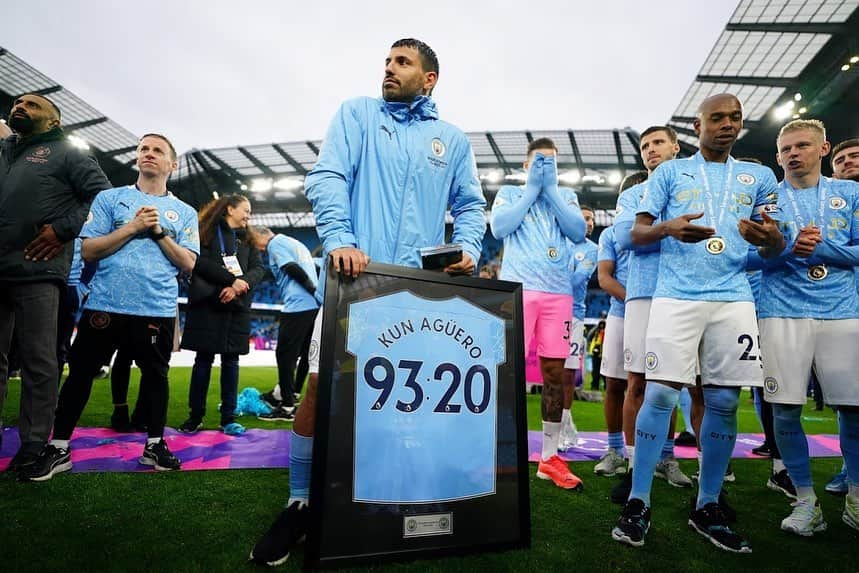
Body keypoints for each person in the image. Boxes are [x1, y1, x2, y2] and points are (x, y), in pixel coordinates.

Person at [249, 38, 486, 567]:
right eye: (387, 61)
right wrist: (339, 240)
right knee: (318, 388)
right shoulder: (356, 114)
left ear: (429, 78)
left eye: (402, 62)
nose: (389, 69)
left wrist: (468, 249)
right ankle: (299, 500)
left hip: (417, 292)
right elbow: (327, 177)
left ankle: (390, 501)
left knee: (407, 400)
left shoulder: (450, 140)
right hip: (352, 279)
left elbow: (471, 205)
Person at [611, 93, 784, 553]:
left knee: (725, 400)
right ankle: (638, 500)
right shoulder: (669, 171)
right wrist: (668, 228)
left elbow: (774, 246)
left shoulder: (761, 176)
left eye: (735, 118)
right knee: (663, 391)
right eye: (717, 118)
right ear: (697, 123)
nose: (727, 124)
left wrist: (770, 239)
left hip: (733, 297)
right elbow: (636, 233)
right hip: (676, 295)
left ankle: (707, 504)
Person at [22, 133, 199, 481]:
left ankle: (155, 444)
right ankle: (58, 446)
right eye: (144, 148)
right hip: (104, 303)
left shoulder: (185, 212)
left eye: (157, 150)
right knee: (81, 375)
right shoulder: (110, 198)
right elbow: (88, 251)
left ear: (172, 164)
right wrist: (134, 227)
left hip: (157, 308)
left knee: (156, 377)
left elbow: (189, 263)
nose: (148, 154)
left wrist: (160, 233)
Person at [754, 119, 859, 536]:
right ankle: (805, 500)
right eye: (786, 149)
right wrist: (782, 249)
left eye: (802, 146)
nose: (793, 153)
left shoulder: (850, 192)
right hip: (781, 311)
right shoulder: (767, 200)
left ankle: (855, 498)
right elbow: (756, 260)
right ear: (777, 157)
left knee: (852, 409)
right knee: (784, 408)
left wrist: (820, 247)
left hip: (842, 311)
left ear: (823, 149)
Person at [0, 94, 112, 473]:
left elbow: (103, 196)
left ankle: (33, 445)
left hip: (38, 266)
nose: (20, 107)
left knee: (38, 358)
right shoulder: (5, 151)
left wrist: (64, 230)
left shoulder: (67, 152)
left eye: (32, 105)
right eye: (17, 103)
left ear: (54, 120)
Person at [491, 137, 586, 490]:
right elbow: (499, 229)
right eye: (539, 162)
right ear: (525, 166)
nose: (545, 168)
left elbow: (577, 233)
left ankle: (549, 458)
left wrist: (552, 191)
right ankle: (498, 452)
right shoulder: (510, 192)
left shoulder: (569, 197)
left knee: (554, 373)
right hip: (518, 289)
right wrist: (532, 189)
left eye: (552, 163)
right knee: (505, 370)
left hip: (558, 294)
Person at [609, 129, 692, 500]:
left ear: (675, 147)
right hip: (643, 292)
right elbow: (627, 238)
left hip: (686, 289)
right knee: (637, 382)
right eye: (644, 146)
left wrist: (655, 231)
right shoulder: (632, 195)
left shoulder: (694, 185)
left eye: (658, 143)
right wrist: (671, 228)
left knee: (673, 383)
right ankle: (631, 463)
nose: (650, 150)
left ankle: (667, 458)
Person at [178, 194, 266, 435]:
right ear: (229, 209)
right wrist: (229, 282)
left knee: (231, 362)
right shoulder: (204, 233)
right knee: (202, 361)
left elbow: (259, 269)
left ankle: (228, 418)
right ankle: (195, 416)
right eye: (246, 209)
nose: (249, 214)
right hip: (208, 305)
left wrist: (240, 284)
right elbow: (199, 263)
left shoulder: (247, 241)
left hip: (236, 308)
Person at [249, 227, 319, 422]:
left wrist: (311, 289)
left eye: (254, 241)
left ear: (261, 235)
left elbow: (290, 268)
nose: (257, 248)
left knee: (285, 355)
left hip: (298, 305)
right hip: (312, 307)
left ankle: (287, 407)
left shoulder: (275, 244)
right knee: (307, 352)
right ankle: (293, 393)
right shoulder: (294, 243)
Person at [824, 137, 859, 496]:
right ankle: (851, 470)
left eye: (855, 157)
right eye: (841, 159)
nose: (847, 162)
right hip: (844, 309)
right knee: (849, 402)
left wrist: (822, 248)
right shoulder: (833, 207)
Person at [595, 202, 630, 477]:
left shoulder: (663, 229)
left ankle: (665, 457)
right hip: (621, 312)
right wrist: (637, 301)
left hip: (663, 311)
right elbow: (604, 279)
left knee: (661, 388)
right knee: (615, 384)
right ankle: (616, 450)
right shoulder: (610, 235)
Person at [559, 204, 598, 450]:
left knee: (567, 374)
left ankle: (564, 422)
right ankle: (560, 423)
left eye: (592, 219)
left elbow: (577, 280)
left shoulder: (592, 249)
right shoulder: (558, 242)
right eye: (585, 218)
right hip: (551, 312)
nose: (591, 223)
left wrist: (551, 278)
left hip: (574, 315)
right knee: (551, 373)